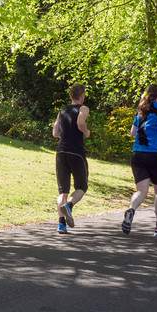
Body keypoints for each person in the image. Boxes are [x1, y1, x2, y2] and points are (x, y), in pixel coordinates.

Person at [122, 84, 157, 237]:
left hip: (137, 154)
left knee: (141, 191)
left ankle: (131, 210)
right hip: (154, 154)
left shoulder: (141, 110)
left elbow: (132, 132)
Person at [52, 84, 90, 234]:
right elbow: (81, 123)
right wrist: (86, 132)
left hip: (61, 151)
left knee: (63, 190)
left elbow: (55, 132)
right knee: (82, 186)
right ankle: (69, 206)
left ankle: (61, 224)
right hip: (76, 152)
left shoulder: (62, 111)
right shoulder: (83, 108)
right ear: (81, 96)